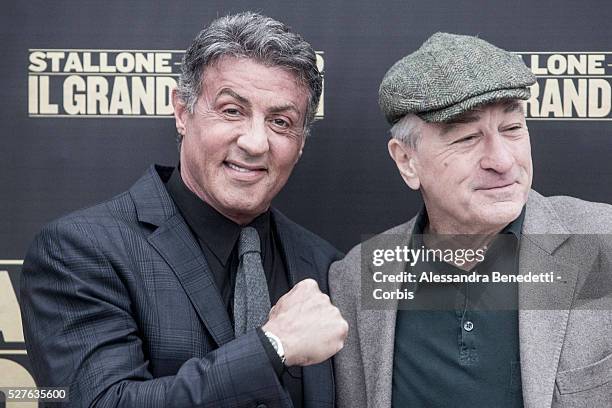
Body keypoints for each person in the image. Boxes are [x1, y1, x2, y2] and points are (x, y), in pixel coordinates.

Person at [20, 12, 348, 408]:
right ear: (181, 111)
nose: (256, 142)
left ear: (300, 142)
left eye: (280, 122)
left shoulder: (325, 265)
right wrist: (273, 346)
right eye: (232, 111)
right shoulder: (80, 251)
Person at [330, 32, 612, 408]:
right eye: (466, 137)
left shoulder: (602, 240)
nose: (503, 160)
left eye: (512, 129)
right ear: (406, 161)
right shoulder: (356, 278)